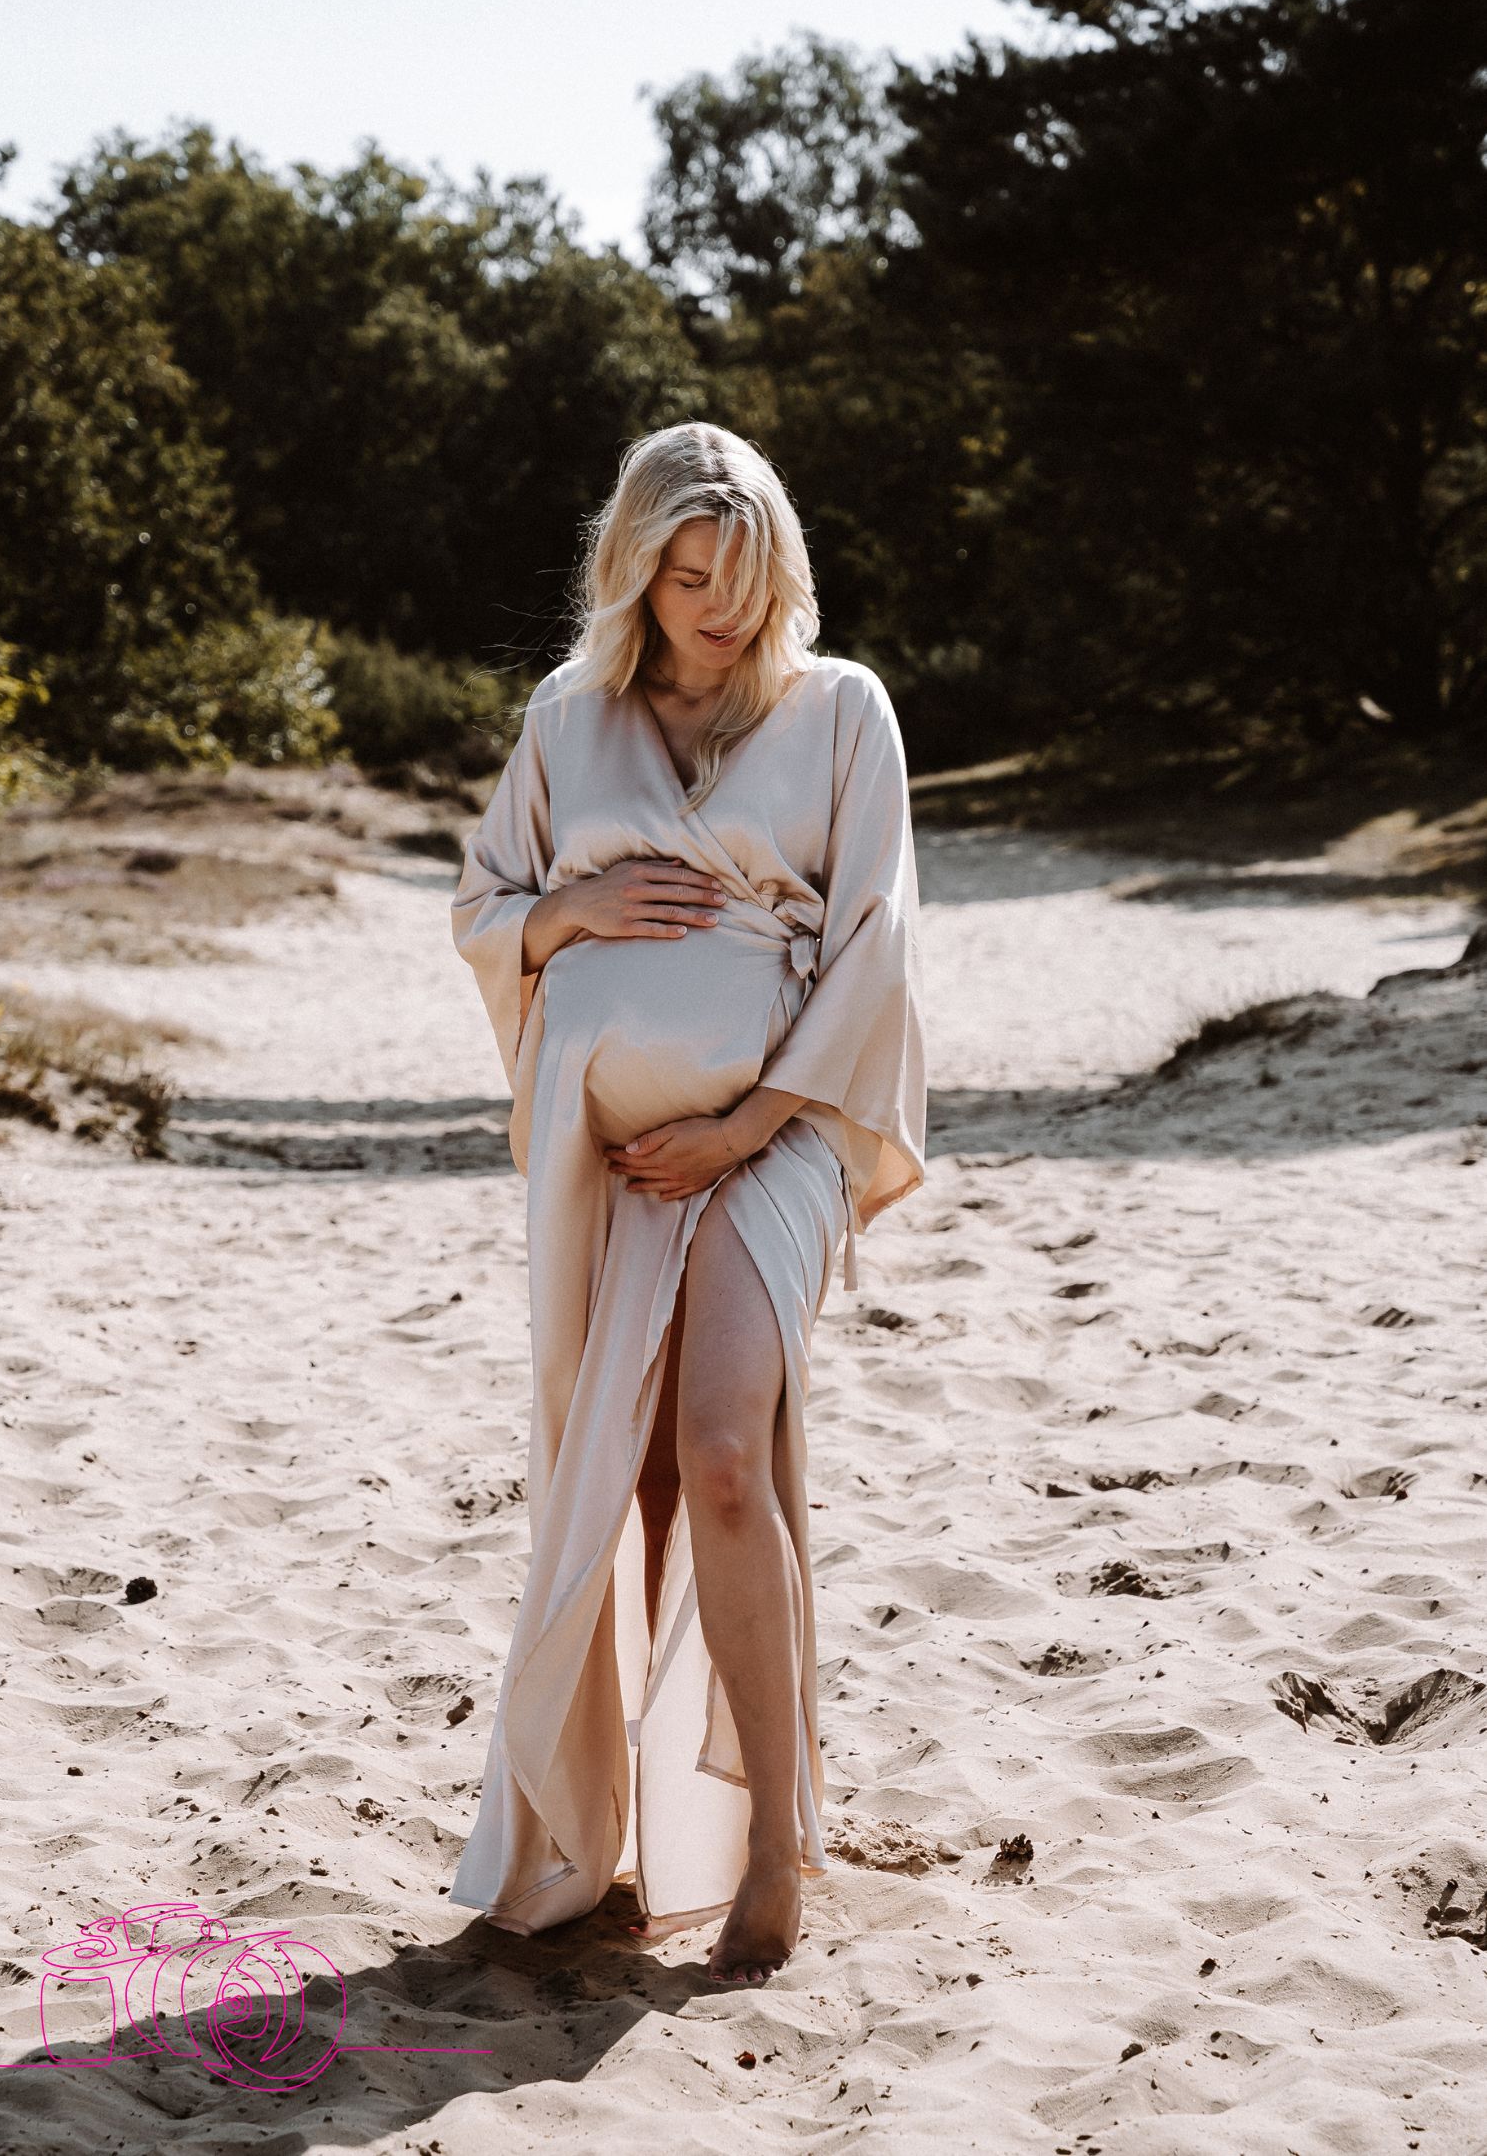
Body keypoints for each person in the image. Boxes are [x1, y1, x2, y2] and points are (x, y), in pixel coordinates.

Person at [447, 420, 926, 1985]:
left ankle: (777, 1838)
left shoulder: (842, 708)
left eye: (744, 571)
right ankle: (618, 1836)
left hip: (776, 1133)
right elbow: (485, 909)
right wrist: (569, 909)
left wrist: (747, 1123)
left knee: (721, 1450)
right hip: (607, 1160)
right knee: (628, 1485)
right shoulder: (566, 723)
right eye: (687, 573)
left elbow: (875, 943)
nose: (719, 605)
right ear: (638, 570)